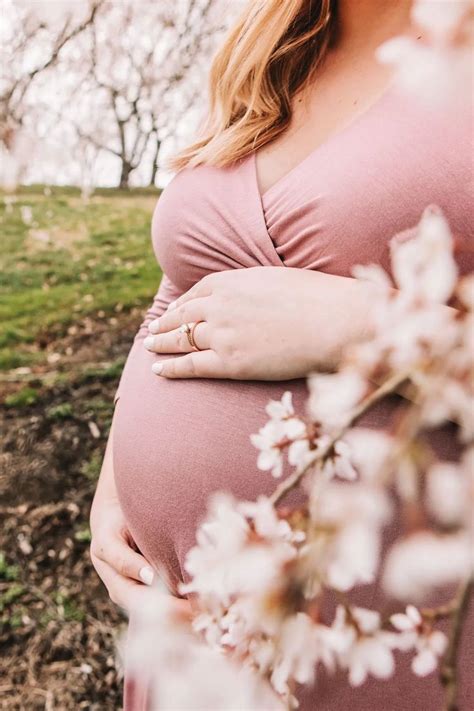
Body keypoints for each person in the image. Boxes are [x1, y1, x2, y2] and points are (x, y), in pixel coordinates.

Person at [90, 0, 473, 708]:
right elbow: (177, 291)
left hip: (389, 641)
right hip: (195, 635)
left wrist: (370, 329)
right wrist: (116, 483)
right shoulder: (274, 44)